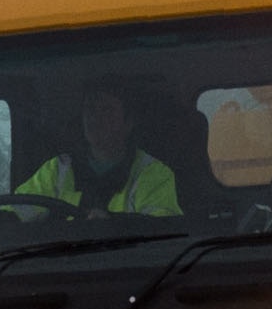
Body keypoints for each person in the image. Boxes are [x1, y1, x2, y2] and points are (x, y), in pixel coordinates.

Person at [16, 82, 183, 217]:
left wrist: (112, 224)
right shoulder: (57, 168)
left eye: (107, 110)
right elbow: (19, 209)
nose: (95, 118)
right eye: (90, 109)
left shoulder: (152, 172)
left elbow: (162, 228)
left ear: (128, 124)